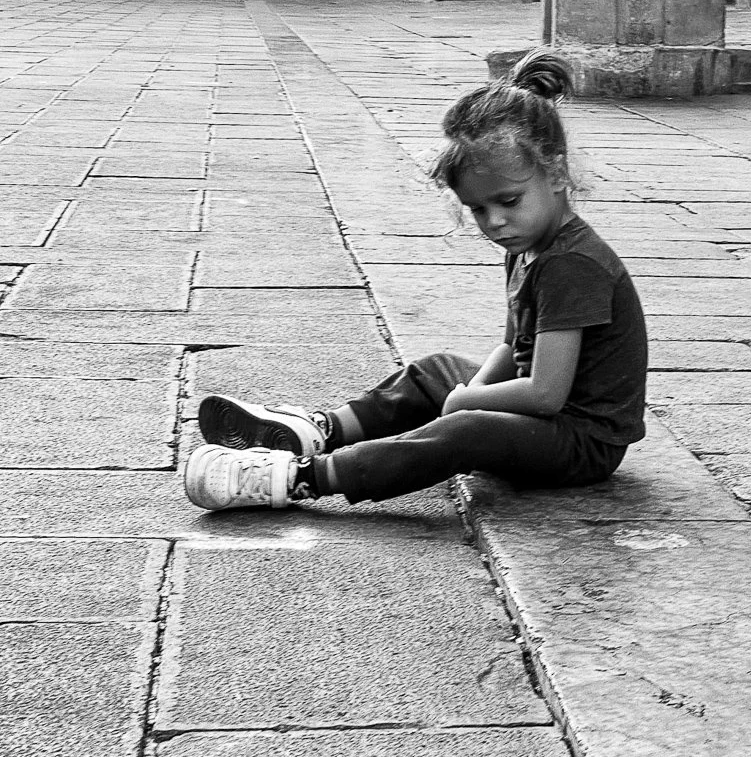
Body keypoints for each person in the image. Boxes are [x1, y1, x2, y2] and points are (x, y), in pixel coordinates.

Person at [184, 50, 648, 512]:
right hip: (547, 413)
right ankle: (324, 429)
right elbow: (512, 348)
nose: (495, 222)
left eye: (508, 201)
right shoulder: (530, 244)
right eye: (478, 209)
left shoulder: (572, 263)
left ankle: (302, 478)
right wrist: (466, 394)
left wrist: (468, 406)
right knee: (437, 371)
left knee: (464, 433)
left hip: (581, 443)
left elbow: (545, 394)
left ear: (557, 173)